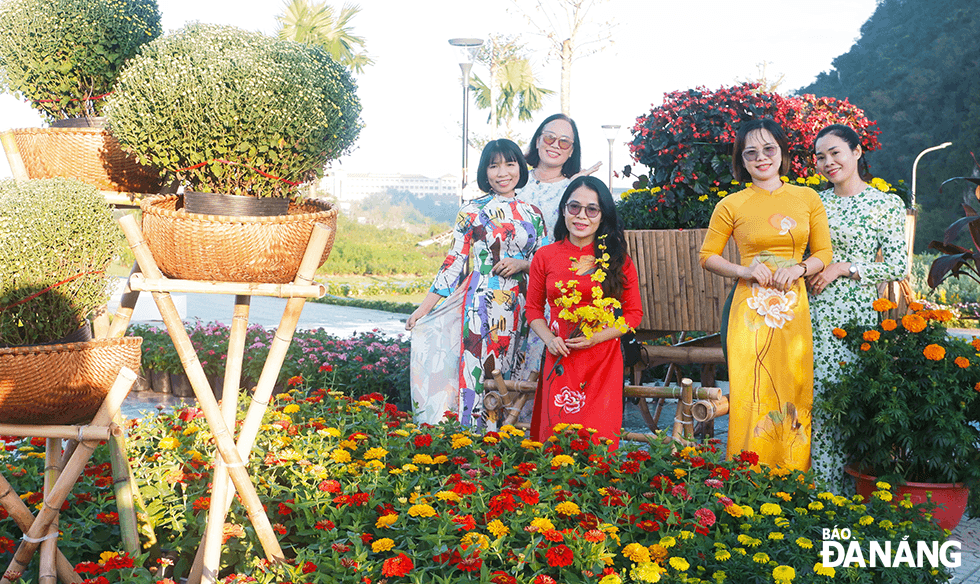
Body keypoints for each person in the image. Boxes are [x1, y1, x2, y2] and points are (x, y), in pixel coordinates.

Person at [698, 118, 832, 470]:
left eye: (769, 149)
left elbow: (824, 255)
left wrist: (800, 268)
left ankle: (791, 481)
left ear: (783, 153)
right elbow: (706, 256)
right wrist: (743, 270)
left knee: (795, 386)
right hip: (749, 312)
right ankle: (745, 477)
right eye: (751, 152)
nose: (761, 158)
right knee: (751, 390)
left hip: (793, 308)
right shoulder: (732, 204)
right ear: (741, 161)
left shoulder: (807, 198)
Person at [406, 139, 546, 429]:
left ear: (520, 166)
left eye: (510, 163)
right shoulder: (471, 211)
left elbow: (546, 263)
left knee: (515, 374)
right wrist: (424, 309)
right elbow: (453, 262)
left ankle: (506, 441)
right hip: (480, 305)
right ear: (485, 171)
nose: (503, 172)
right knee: (480, 373)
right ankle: (471, 442)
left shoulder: (533, 213)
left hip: (523, 308)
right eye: (494, 166)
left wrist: (523, 264)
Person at [807, 123, 908, 488]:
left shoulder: (884, 204)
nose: (828, 162)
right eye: (820, 157)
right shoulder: (814, 202)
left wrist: (844, 267)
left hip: (851, 317)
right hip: (808, 311)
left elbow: (898, 266)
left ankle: (838, 494)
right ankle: (807, 492)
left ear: (856, 152)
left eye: (835, 152)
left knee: (838, 404)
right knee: (809, 400)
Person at [527, 176, 642, 448]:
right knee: (558, 436)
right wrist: (549, 340)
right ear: (563, 210)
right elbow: (532, 310)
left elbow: (633, 315)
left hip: (602, 358)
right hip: (560, 354)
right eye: (574, 207)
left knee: (598, 439)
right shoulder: (545, 256)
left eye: (592, 209)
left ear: (603, 216)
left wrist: (596, 338)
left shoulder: (617, 259)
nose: (582, 216)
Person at [518, 113, 601, 234]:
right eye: (549, 137)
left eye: (564, 142)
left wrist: (575, 187)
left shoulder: (572, 189)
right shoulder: (515, 180)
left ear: (571, 151)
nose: (555, 145)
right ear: (537, 141)